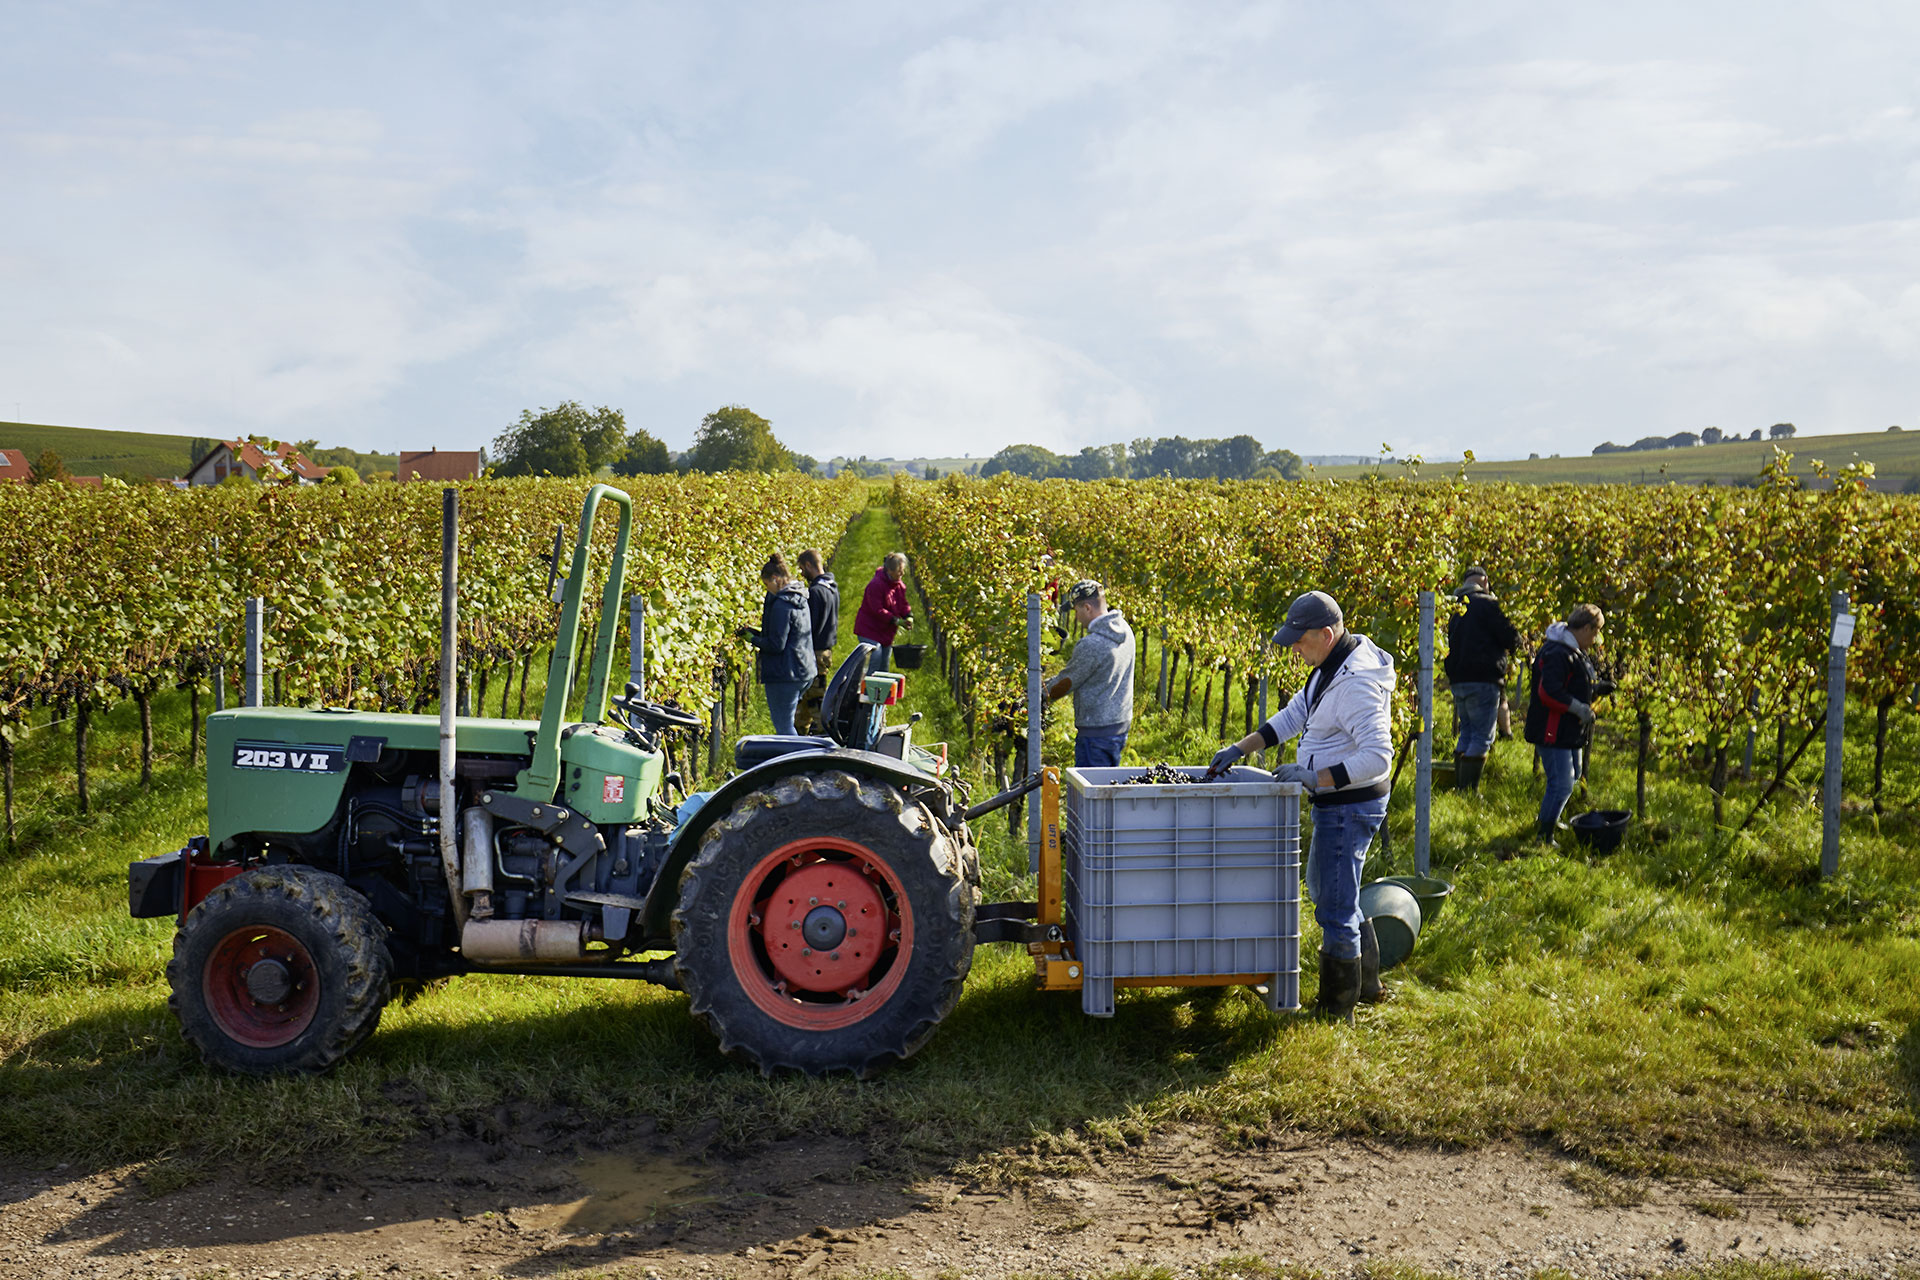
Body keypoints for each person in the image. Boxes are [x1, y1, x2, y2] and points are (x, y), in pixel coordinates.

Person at [1208, 590, 1395, 1020]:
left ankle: (1336, 1009)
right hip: (1339, 802)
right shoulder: (1331, 666)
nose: (1294, 647)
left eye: (1299, 639)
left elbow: (1377, 757)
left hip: (1349, 805)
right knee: (1334, 890)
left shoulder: (1357, 684)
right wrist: (1241, 748)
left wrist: (1316, 778)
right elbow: (1295, 715)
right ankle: (1366, 984)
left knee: (1332, 903)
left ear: (1326, 634)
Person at [1523, 603, 1606, 842]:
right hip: (1552, 729)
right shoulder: (1557, 652)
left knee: (1572, 776)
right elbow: (1548, 692)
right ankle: (1544, 835)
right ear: (1587, 628)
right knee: (1561, 783)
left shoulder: (1572, 651)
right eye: (1595, 632)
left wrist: (1596, 690)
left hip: (1567, 729)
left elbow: (1573, 684)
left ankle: (1550, 819)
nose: (1595, 638)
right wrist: (1580, 708)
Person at [1043, 580, 1136, 767]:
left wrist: (1039, 691)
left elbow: (1066, 683)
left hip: (1095, 733)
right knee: (1106, 787)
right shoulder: (1125, 629)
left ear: (1087, 608)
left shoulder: (1091, 645)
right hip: (1118, 725)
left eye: (1076, 611)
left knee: (1092, 792)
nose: (1076, 618)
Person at [1444, 566, 1519, 793]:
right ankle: (1468, 791)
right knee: (1481, 736)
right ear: (1485, 581)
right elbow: (1510, 637)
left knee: (1466, 730)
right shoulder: (1488, 605)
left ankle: (1460, 786)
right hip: (1483, 678)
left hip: (1458, 678)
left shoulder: (1455, 607)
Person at [736, 553, 814, 737]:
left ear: (775, 579)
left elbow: (777, 645)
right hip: (803, 669)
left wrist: (752, 639)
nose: (767, 590)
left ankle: (797, 764)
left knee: (784, 728)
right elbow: (789, 634)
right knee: (789, 724)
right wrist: (759, 632)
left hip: (785, 673)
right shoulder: (799, 598)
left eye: (766, 584)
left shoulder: (781, 604)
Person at [793, 548, 838, 734]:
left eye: (803, 569)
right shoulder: (832, 588)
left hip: (814, 653)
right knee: (805, 701)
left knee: (814, 700)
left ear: (809, 565)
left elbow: (808, 626)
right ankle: (798, 734)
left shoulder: (816, 592)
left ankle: (823, 737)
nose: (802, 573)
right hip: (825, 651)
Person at [853, 551, 913, 672]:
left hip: (885, 630)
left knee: (884, 664)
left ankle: (881, 689)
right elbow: (877, 610)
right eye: (899, 570)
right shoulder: (875, 585)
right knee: (876, 656)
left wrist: (908, 615)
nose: (902, 573)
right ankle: (869, 688)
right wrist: (895, 620)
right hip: (869, 628)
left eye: (903, 570)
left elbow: (902, 603)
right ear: (889, 571)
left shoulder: (899, 585)